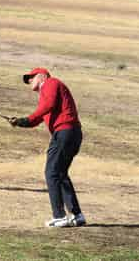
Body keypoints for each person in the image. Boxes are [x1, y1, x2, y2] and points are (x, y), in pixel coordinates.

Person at [8, 68, 86, 228]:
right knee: (60, 173)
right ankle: (77, 215)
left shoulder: (51, 83)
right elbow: (38, 118)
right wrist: (21, 122)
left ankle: (59, 216)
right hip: (71, 133)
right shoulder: (47, 93)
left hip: (64, 132)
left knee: (51, 172)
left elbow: (47, 106)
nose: (29, 80)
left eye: (31, 77)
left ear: (42, 76)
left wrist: (27, 118)